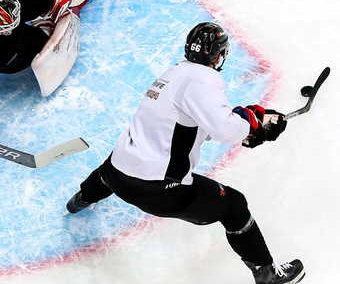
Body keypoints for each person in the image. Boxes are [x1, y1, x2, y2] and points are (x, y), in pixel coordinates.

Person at [65, 23, 305, 284]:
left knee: (118, 162)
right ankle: (268, 274)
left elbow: (188, 124)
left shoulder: (171, 74)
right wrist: (251, 126)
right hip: (159, 191)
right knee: (235, 206)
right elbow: (225, 131)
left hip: (115, 176)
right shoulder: (205, 79)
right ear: (219, 56)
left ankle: (82, 198)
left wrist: (243, 121)